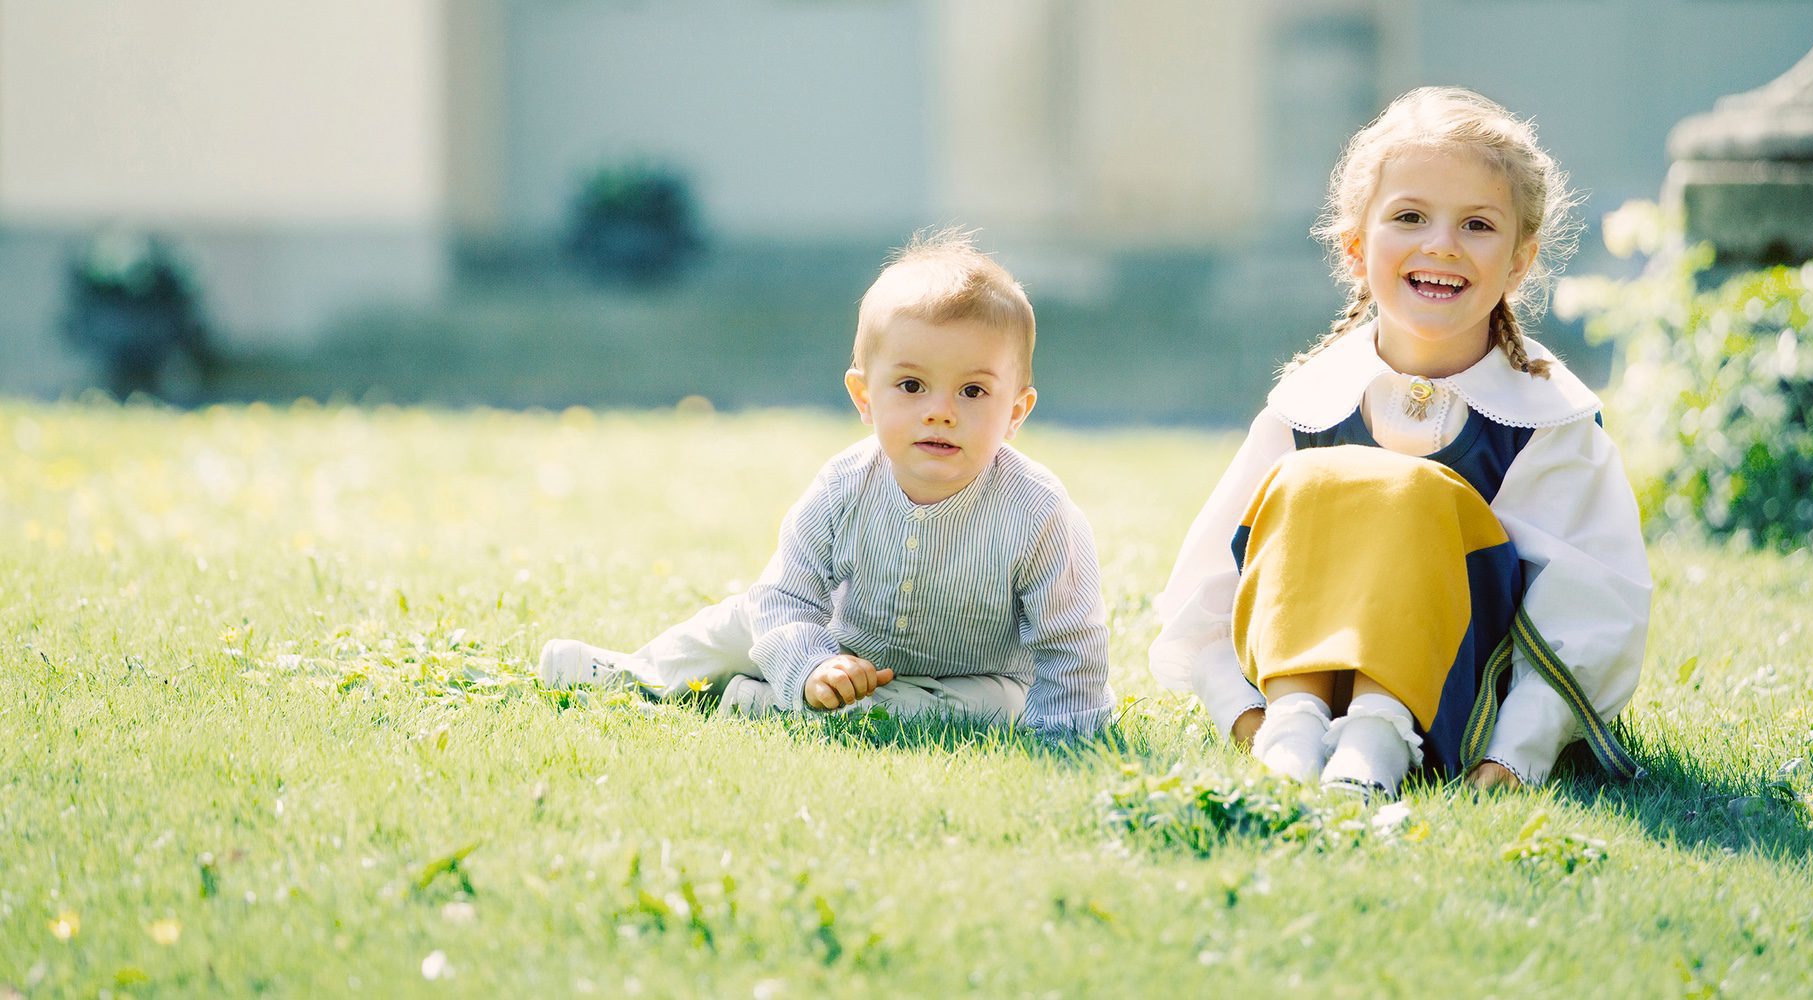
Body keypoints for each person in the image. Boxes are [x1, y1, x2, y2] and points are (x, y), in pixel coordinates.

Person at [1149, 87, 1651, 797]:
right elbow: (1208, 589)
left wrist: (1515, 754)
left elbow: (1591, 609)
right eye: (1410, 216)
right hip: (1298, 700)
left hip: (1457, 702)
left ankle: (1380, 737)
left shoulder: (1545, 421)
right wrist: (1249, 715)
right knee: (1309, 481)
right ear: (1357, 247)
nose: (1440, 244)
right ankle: (1298, 728)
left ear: (1517, 263)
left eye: (1477, 224)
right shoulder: (1309, 405)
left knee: (1409, 489)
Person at [540, 230, 1113, 738]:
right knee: (735, 621)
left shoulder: (1037, 510)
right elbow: (787, 594)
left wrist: (1065, 733)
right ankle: (637, 672)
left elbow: (1069, 639)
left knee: (991, 709)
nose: (940, 412)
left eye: (972, 392)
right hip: (840, 647)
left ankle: (764, 705)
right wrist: (812, 663)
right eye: (912, 386)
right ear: (865, 397)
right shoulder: (846, 483)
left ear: (1016, 410)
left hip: (971, 674)